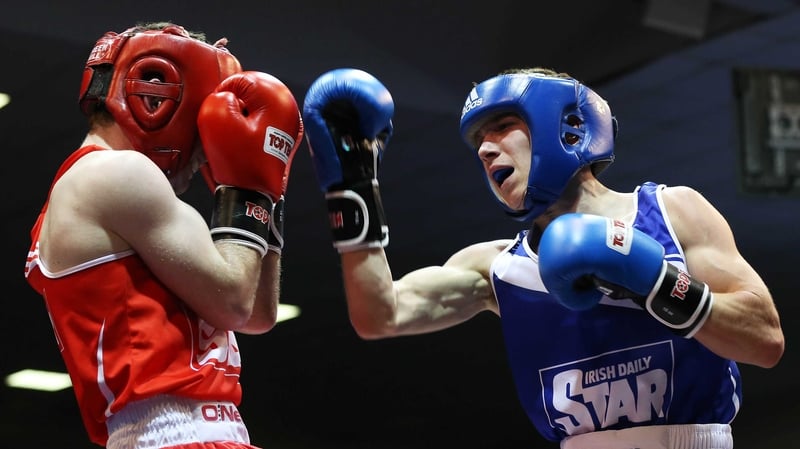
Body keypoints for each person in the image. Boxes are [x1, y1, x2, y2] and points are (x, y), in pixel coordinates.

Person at [300, 67, 785, 448]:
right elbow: (379, 315)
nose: (487, 150)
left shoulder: (670, 211)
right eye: (478, 143)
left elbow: (765, 339)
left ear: (569, 128)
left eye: (504, 126)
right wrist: (352, 184)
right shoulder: (496, 267)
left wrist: (656, 281)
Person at [23, 22, 303, 449]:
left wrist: (262, 192)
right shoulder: (114, 174)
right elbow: (232, 301)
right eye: (202, 119)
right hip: (172, 434)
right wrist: (249, 188)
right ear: (156, 97)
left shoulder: (106, 187)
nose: (205, 146)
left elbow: (256, 314)